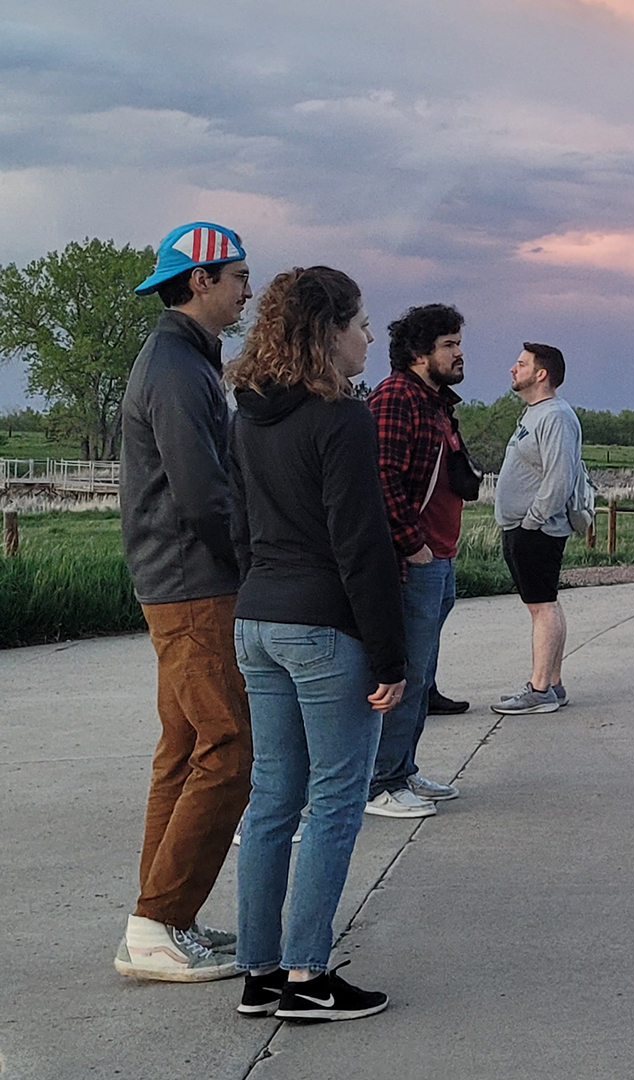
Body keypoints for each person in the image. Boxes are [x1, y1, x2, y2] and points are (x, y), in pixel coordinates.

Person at [227, 265, 407, 1020]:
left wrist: (261, 589)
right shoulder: (341, 417)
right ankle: (307, 977)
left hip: (258, 619)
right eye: (360, 323)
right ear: (328, 333)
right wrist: (391, 655)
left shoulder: (247, 414)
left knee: (272, 797)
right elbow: (361, 544)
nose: (368, 336)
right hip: (324, 626)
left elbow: (238, 524)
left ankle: (260, 973)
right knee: (335, 799)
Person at [114, 221, 254, 982]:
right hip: (194, 584)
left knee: (185, 749)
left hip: (182, 582)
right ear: (201, 280)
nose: (247, 292)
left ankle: (166, 919)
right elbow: (202, 494)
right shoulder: (174, 365)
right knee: (229, 748)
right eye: (239, 277)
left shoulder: (185, 358)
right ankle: (157, 924)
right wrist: (250, 565)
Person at [365, 303, 472, 818]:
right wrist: (413, 544)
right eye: (449, 345)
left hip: (438, 557)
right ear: (417, 353)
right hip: (414, 562)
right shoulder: (397, 397)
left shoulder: (435, 404)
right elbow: (381, 475)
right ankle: (381, 782)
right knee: (405, 673)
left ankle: (402, 769)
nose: (459, 353)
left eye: (458, 343)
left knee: (422, 673)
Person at [491, 342, 585, 715]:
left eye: (521, 364)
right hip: (524, 527)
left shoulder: (556, 416)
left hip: (537, 530)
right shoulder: (536, 413)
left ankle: (540, 689)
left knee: (542, 606)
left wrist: (533, 520)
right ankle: (553, 685)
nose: (513, 369)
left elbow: (560, 478)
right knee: (544, 604)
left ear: (541, 373)